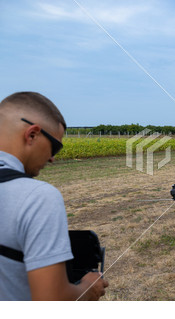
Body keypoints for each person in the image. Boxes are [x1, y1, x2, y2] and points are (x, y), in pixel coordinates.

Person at [0, 92, 109, 300]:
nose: (51, 159)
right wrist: (88, 287)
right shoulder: (37, 198)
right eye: (55, 147)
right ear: (32, 134)